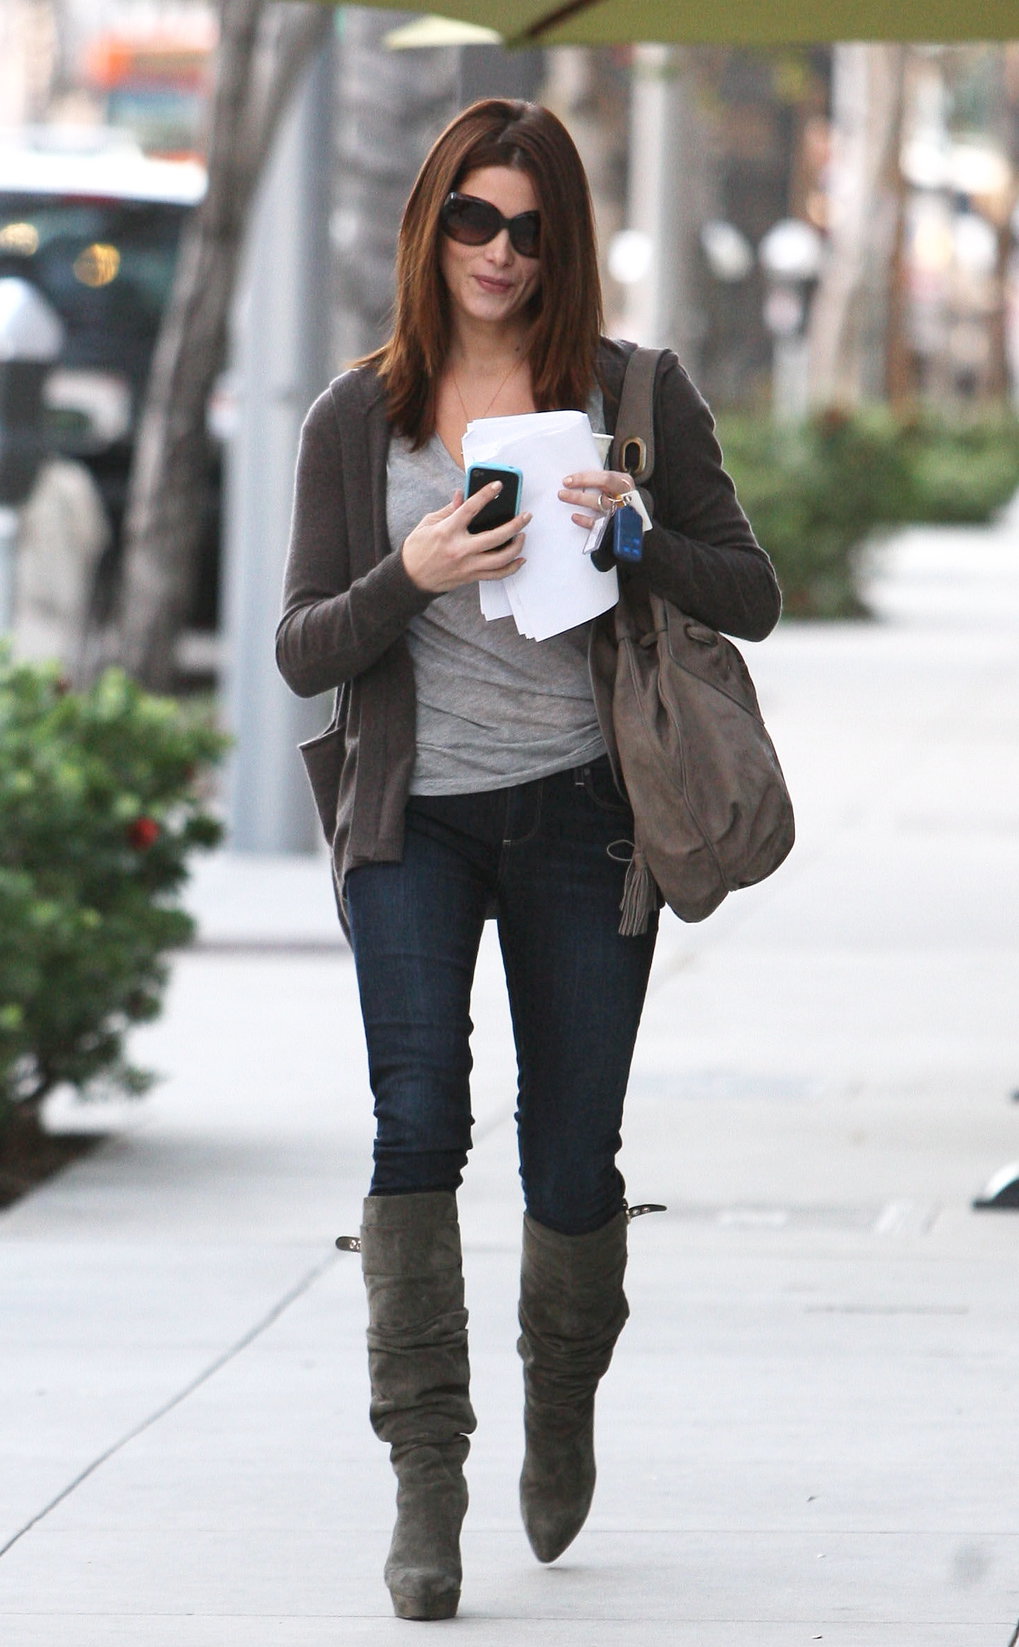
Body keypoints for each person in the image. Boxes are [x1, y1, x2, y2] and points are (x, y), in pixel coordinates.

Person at [276, 98, 781, 1623]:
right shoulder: (354, 420)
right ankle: (428, 1478)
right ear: (431, 225)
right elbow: (305, 649)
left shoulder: (633, 394)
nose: (500, 251)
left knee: (570, 1157)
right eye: (474, 219)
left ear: (566, 244)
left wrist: (634, 540)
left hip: (585, 818)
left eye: (532, 227)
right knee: (415, 1126)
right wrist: (409, 571)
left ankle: (560, 1396)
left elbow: (750, 593)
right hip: (411, 823)